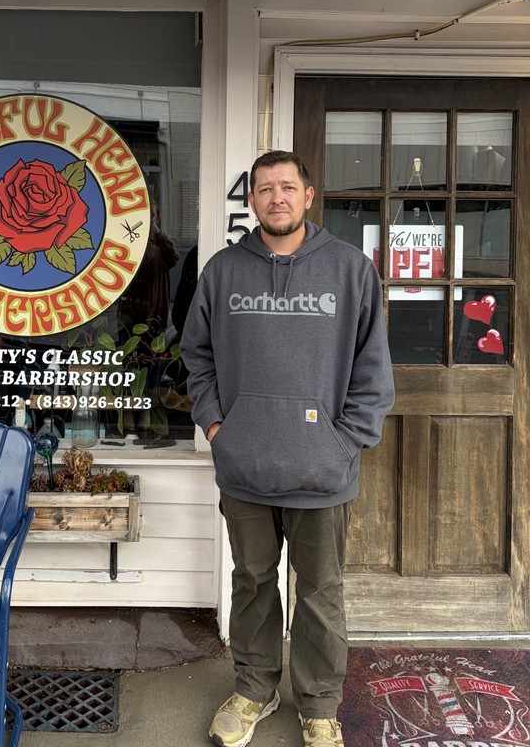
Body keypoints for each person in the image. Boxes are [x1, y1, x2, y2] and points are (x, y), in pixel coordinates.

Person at [181, 150, 394, 747]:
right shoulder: (223, 272)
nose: (276, 197)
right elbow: (196, 356)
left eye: (287, 187)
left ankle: (319, 704)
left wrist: (342, 442)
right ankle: (254, 688)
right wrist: (218, 426)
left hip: (322, 472)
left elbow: (373, 370)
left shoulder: (352, 271)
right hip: (244, 467)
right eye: (264, 188)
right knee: (251, 582)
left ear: (308, 195)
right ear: (251, 201)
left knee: (321, 591)